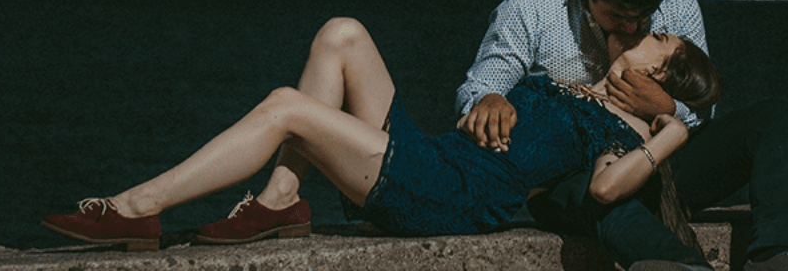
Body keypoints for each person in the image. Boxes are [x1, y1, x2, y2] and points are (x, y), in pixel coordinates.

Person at [41, 16, 721, 251]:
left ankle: (136, 210)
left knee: (287, 107)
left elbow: (606, 190)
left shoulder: (623, 131)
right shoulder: (579, 85)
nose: (642, 34)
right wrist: (489, 97)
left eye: (658, 39)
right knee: (343, 34)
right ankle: (280, 202)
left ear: (666, 75)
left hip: (446, 199)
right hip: (434, 161)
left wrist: (672, 133)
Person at [455, 0, 788, 271]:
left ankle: (776, 259)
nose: (631, 28)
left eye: (643, 19)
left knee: (777, 119)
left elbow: (704, 102)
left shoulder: (677, 0)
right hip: (578, 178)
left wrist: (668, 109)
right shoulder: (531, 5)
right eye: (618, 16)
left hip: (662, 165)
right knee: (603, 194)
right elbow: (480, 87)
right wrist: (490, 98)